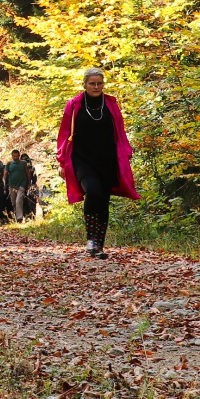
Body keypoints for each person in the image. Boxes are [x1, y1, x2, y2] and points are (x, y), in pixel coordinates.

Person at [55, 67, 139, 258]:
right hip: (82, 159)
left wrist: (126, 153)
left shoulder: (110, 104)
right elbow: (64, 134)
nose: (96, 86)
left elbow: (119, 130)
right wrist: (61, 161)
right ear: (84, 84)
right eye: (92, 83)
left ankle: (99, 245)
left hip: (107, 159)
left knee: (103, 199)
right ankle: (90, 239)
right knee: (92, 191)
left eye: (99, 83)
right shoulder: (74, 105)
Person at [5, 150, 31, 223]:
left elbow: (28, 173)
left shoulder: (23, 163)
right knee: (13, 202)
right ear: (12, 156)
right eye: (14, 156)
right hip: (12, 185)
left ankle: (19, 218)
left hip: (21, 185)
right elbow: (5, 174)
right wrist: (4, 183)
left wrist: (29, 183)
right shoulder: (9, 164)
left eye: (17, 156)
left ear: (19, 156)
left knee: (18, 201)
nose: (15, 157)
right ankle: (16, 216)